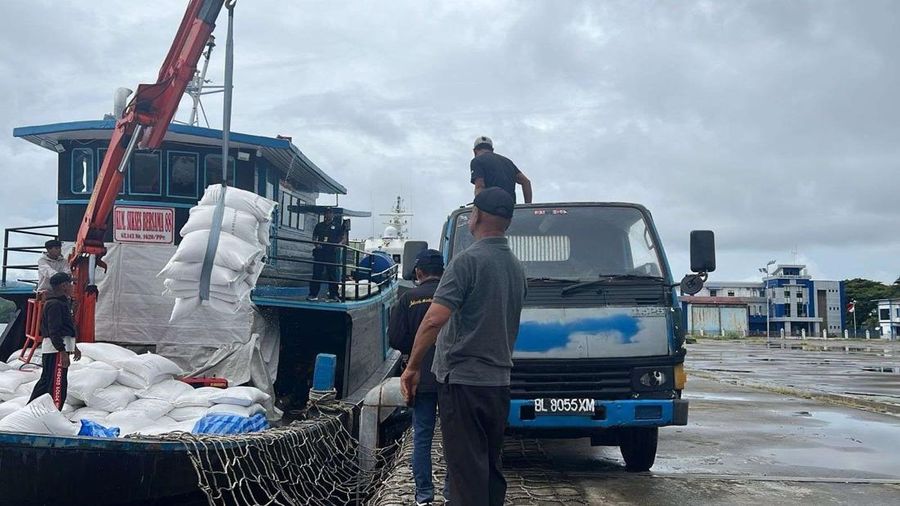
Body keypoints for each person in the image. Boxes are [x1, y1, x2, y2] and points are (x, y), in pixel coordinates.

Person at [400, 188, 527, 506]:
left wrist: (413, 367)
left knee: (464, 473)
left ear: (477, 216)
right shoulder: (516, 267)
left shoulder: (467, 261)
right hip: (498, 383)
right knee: (488, 466)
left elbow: (433, 320)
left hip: (463, 382)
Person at [388, 249, 448, 506]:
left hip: (419, 376)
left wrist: (413, 352)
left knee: (422, 435)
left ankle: (424, 495)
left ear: (418, 272)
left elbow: (395, 339)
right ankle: (451, 493)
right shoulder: (450, 297)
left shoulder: (407, 298)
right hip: (450, 377)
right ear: (443, 271)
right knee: (452, 437)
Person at [29, 272, 81, 410]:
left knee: (48, 381)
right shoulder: (55, 305)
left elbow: (66, 328)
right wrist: (62, 352)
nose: (73, 287)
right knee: (56, 384)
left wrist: (74, 347)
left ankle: (32, 409)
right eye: (71, 284)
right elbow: (54, 331)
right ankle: (53, 412)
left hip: (58, 349)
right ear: (64, 286)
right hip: (56, 351)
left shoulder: (62, 303)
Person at [470, 135, 533, 204]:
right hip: (509, 209)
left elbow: (480, 186)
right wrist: (527, 206)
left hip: (491, 209)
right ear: (492, 150)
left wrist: (478, 207)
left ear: (474, 151)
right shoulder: (508, 162)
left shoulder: (477, 161)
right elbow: (526, 182)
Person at [308, 208, 346, 301]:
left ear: (332, 215)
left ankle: (334, 295)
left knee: (332, 274)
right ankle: (313, 294)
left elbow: (343, 238)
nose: (328, 215)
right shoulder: (319, 225)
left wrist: (339, 244)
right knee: (317, 273)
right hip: (320, 252)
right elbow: (314, 237)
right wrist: (316, 244)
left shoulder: (337, 226)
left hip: (331, 252)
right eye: (326, 213)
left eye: (330, 213)